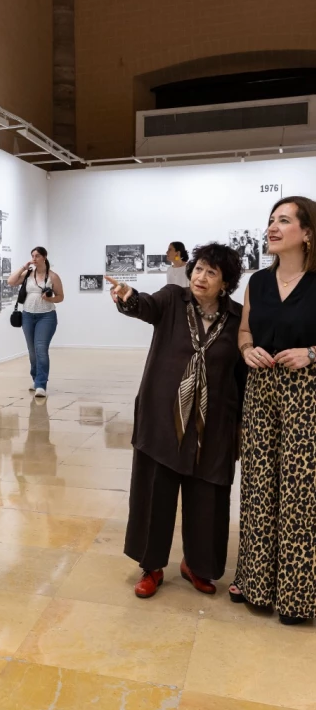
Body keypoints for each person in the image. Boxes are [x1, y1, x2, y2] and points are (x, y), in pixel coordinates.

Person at [106, 243, 245, 599]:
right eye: (198, 269)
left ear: (225, 282)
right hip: (163, 416)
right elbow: (143, 306)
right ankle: (151, 566)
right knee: (155, 492)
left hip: (213, 422)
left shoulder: (237, 318)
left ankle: (196, 565)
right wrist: (128, 297)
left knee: (208, 496)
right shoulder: (171, 300)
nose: (200, 277)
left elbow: (241, 374)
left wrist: (241, 425)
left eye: (211, 272)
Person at [231, 196, 316, 625]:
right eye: (270, 221)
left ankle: (298, 595)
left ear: (307, 232)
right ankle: (256, 584)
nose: (273, 227)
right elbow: (245, 330)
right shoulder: (257, 283)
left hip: (307, 394)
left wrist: (312, 353)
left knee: (301, 494)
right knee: (259, 486)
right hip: (261, 390)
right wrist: (247, 350)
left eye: (284, 220)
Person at [6, 247, 64, 398]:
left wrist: (50, 298)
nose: (34, 258)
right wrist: (24, 267)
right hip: (27, 316)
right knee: (32, 352)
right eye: (32, 256)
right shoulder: (28, 274)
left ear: (44, 257)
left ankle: (41, 385)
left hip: (46, 316)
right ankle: (36, 378)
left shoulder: (53, 276)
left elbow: (61, 297)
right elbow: (11, 281)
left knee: (41, 349)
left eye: (37, 256)